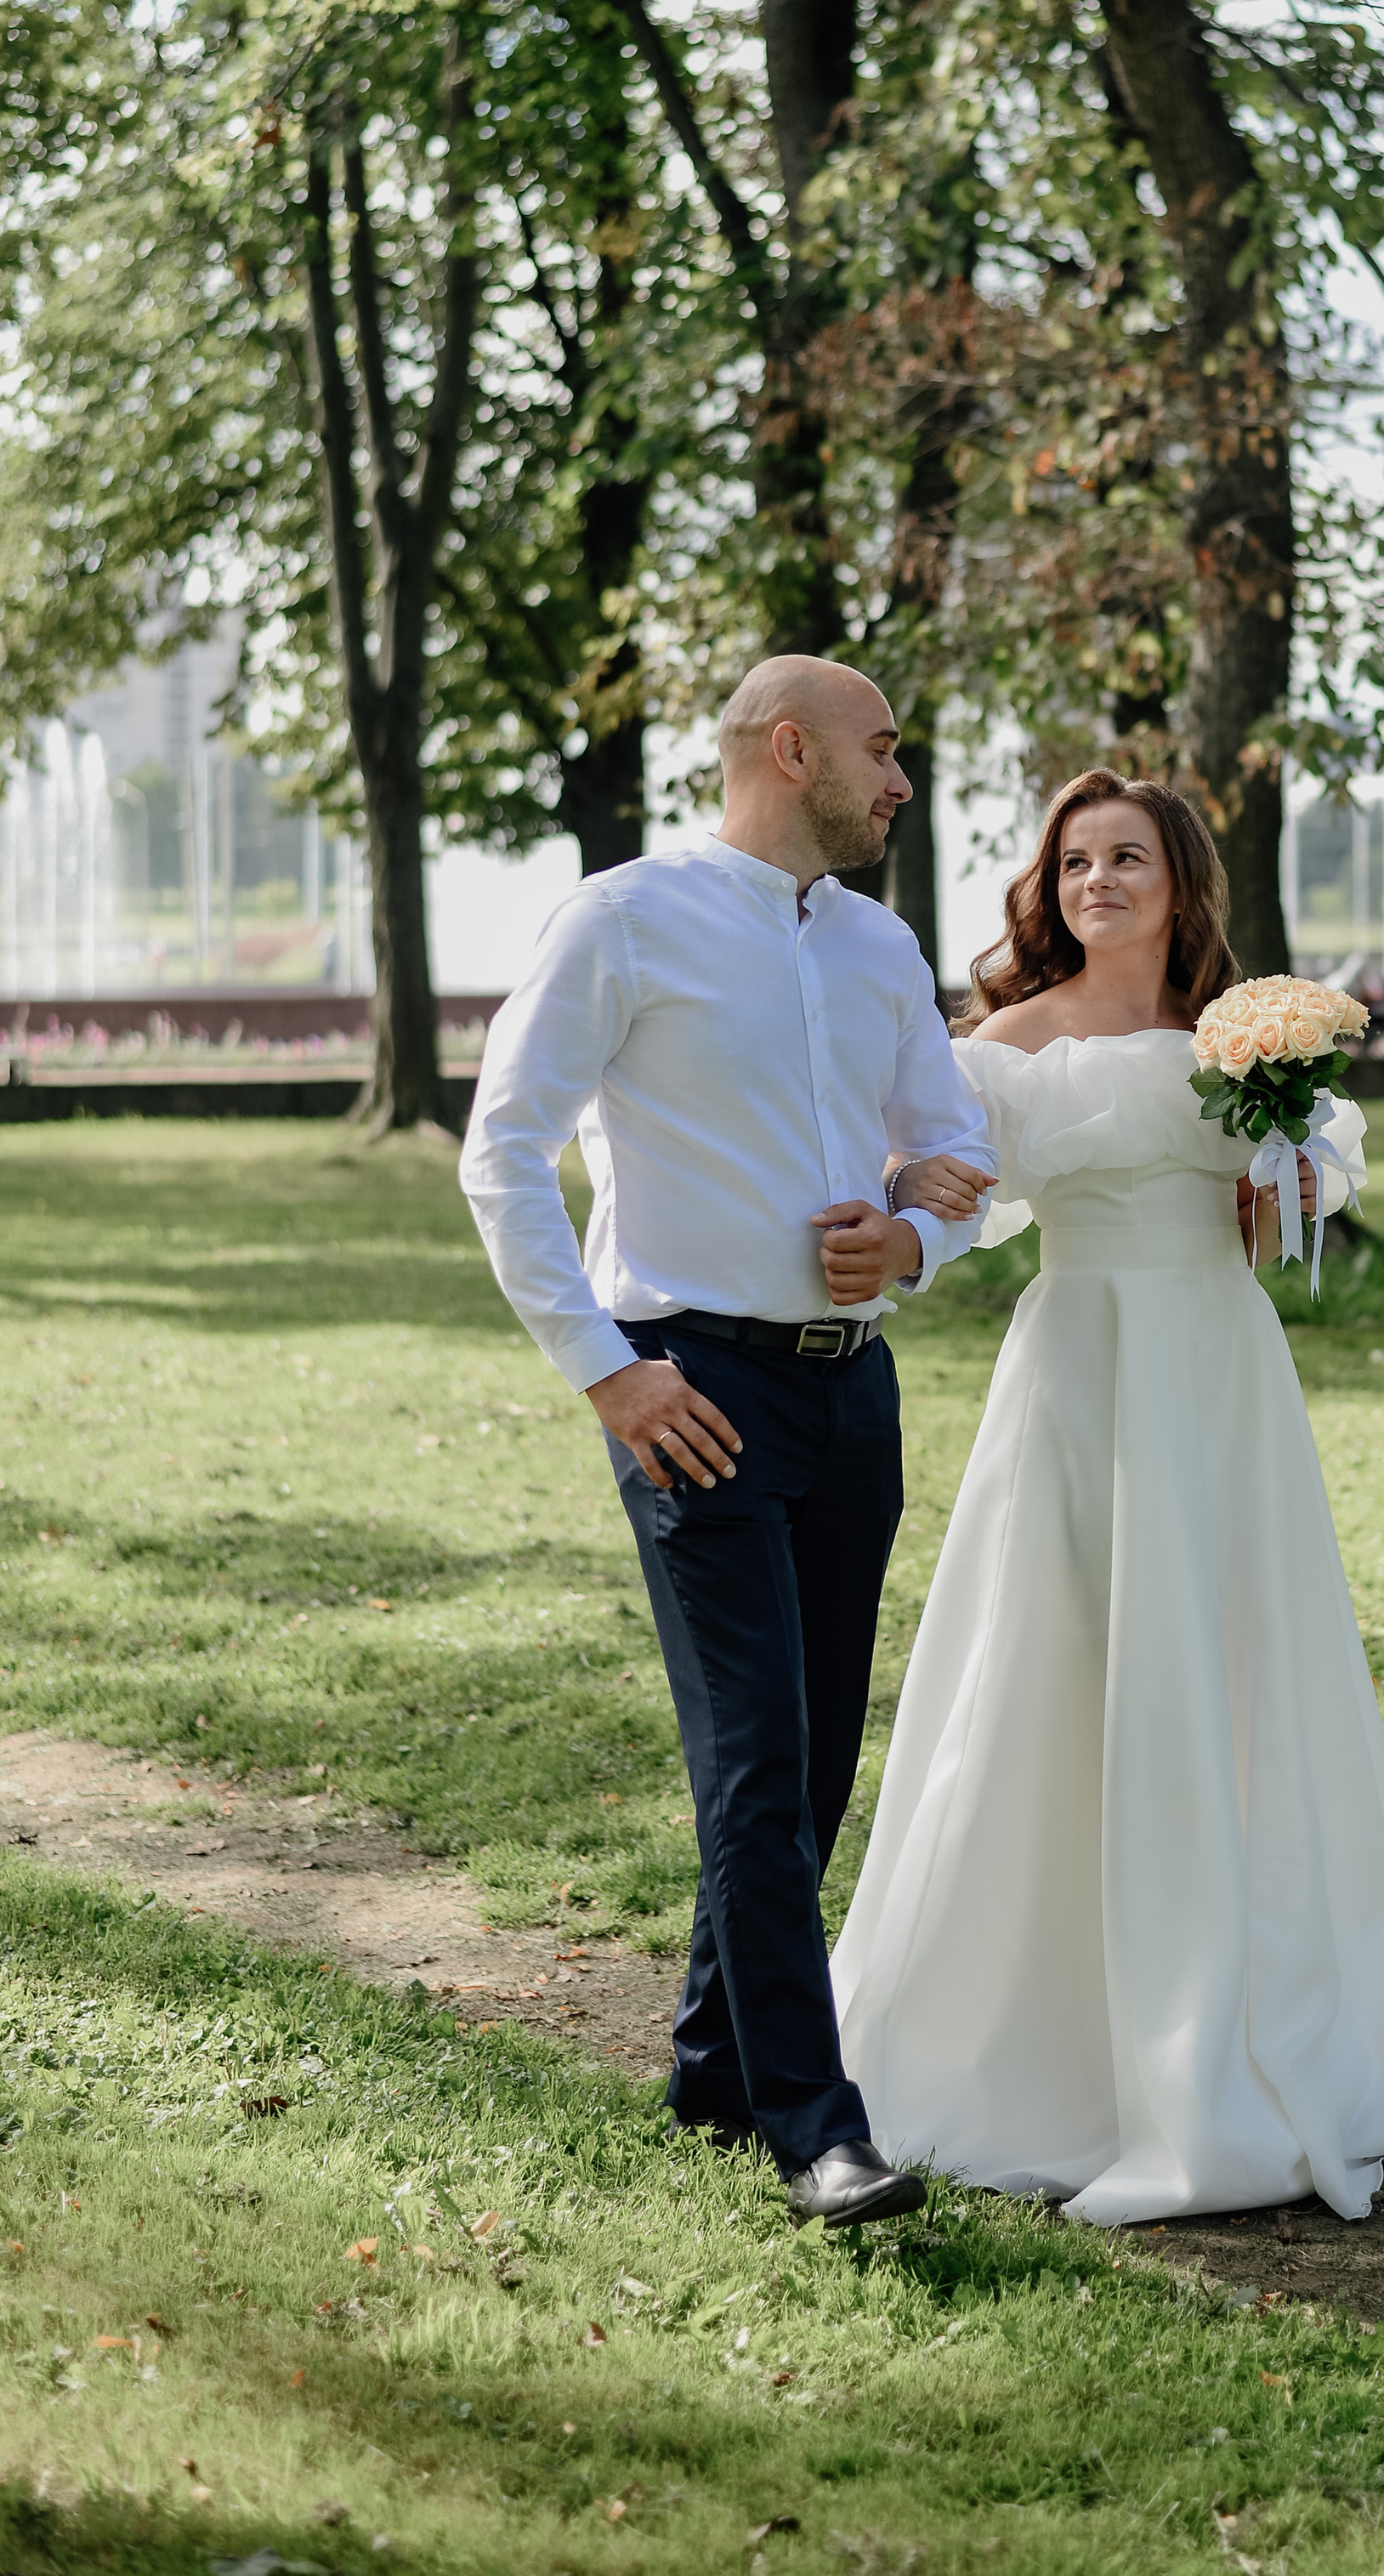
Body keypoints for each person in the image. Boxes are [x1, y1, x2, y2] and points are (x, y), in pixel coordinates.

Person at [830, 769, 1384, 2225]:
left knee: (1236, 1659)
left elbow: (1306, 1197)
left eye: (1128, 856)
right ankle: (1060, 2031)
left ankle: (1266, 1992)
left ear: (1180, 880)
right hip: (1081, 1364)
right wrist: (901, 1245)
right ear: (1053, 884)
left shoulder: (1241, 1038)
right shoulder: (1003, 1044)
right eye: (1076, 858)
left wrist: (1281, 1182)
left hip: (1219, 1366)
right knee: (1064, 1662)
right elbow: (959, 1205)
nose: (1098, 878)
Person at [459, 657, 998, 2231]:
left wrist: (905, 1242)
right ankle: (814, 2125)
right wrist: (605, 1371)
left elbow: (956, 1152)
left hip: (855, 1396)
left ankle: (711, 2064)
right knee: (758, 1760)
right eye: (882, 749)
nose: (899, 780)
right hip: (691, 1390)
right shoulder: (624, 916)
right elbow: (503, 1145)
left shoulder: (883, 941)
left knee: (814, 1763)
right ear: (792, 746)